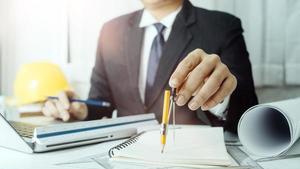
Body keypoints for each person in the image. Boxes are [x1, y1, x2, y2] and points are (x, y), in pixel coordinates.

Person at [42, 0, 258, 132]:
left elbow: (249, 114)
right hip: (121, 159)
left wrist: (218, 97)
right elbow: (101, 103)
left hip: (190, 166)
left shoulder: (222, 26)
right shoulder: (111, 30)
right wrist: (79, 109)